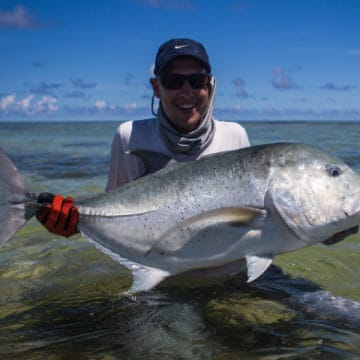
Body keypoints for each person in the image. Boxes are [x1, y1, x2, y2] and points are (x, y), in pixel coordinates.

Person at [37, 38, 250, 237]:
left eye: (196, 80)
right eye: (173, 81)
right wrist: (75, 225)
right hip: (155, 271)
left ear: (209, 85)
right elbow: (114, 214)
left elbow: (248, 219)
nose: (187, 91)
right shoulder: (130, 136)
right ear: (156, 87)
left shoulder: (234, 136)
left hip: (230, 273)